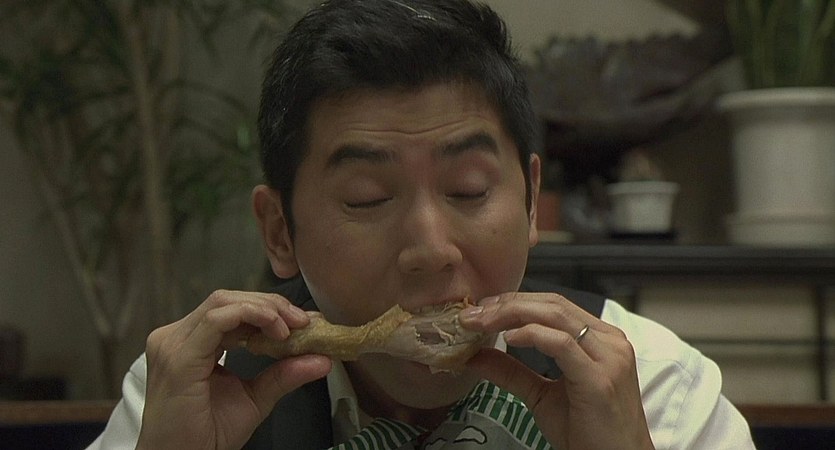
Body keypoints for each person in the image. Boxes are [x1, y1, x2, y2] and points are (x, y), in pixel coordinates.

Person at [88, 1, 755, 449]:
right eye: (367, 198)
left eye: (468, 190)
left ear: (530, 203)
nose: (431, 250)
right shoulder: (187, 391)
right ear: (279, 232)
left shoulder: (656, 387)